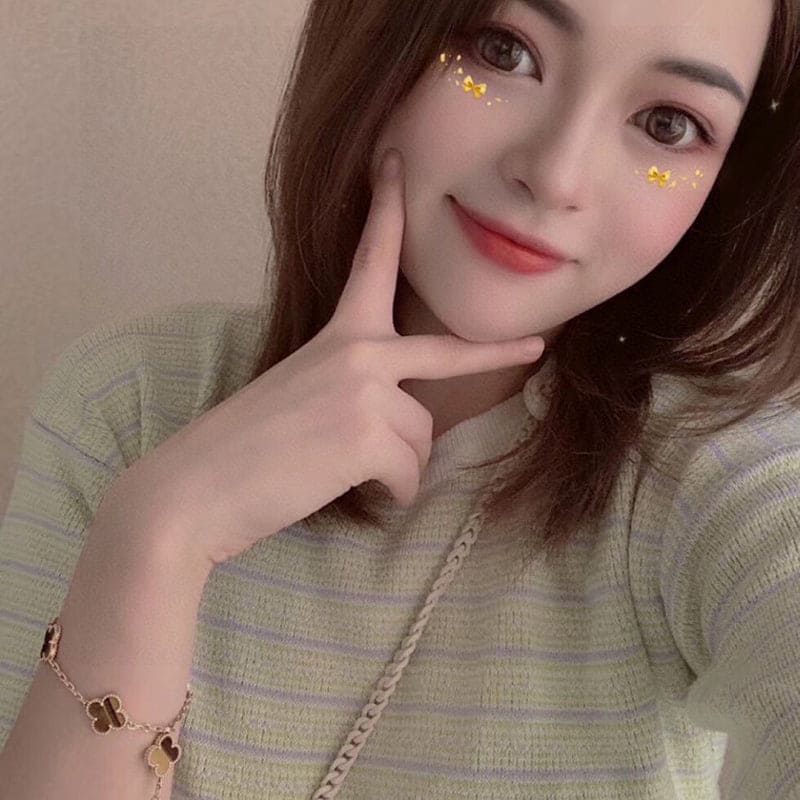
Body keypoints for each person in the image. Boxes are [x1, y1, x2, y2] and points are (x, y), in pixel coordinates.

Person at [0, 0, 798, 797]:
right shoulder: (131, 402)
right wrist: (159, 534)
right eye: (503, 51)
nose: (556, 175)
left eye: (668, 126)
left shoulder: (712, 470)